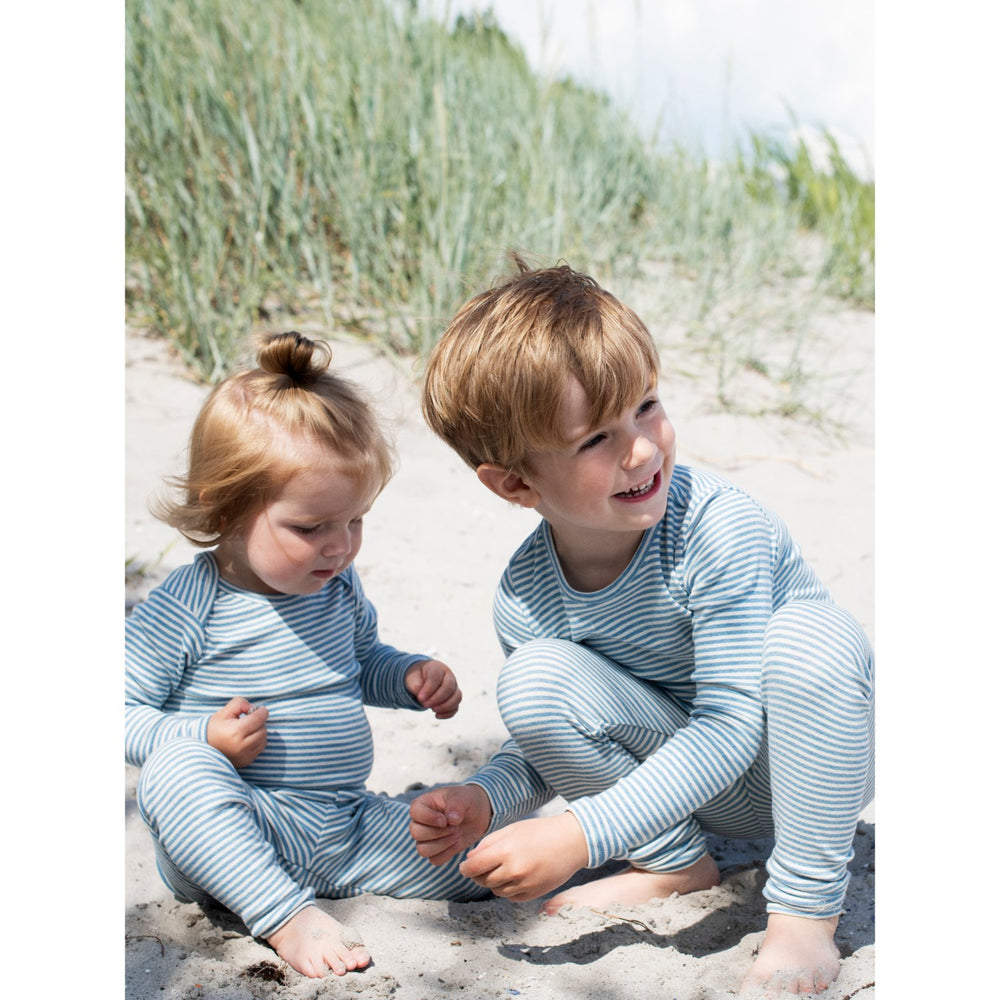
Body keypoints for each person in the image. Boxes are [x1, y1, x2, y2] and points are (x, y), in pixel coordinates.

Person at [409, 260, 874, 997]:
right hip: (695, 787)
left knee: (812, 638)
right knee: (533, 678)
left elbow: (729, 728)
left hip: (807, 759)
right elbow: (555, 734)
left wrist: (582, 834)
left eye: (647, 406)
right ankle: (674, 863)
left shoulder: (718, 528)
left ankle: (805, 914)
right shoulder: (526, 595)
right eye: (596, 438)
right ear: (516, 484)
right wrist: (489, 799)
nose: (644, 449)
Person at [126, 331, 514, 979]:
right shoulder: (191, 603)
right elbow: (120, 714)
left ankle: (599, 863)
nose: (340, 546)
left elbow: (362, 662)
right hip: (239, 828)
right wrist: (203, 737)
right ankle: (284, 915)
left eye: (355, 520)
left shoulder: (335, 585)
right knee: (176, 772)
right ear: (225, 506)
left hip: (345, 826)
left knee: (479, 850)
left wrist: (407, 676)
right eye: (310, 528)